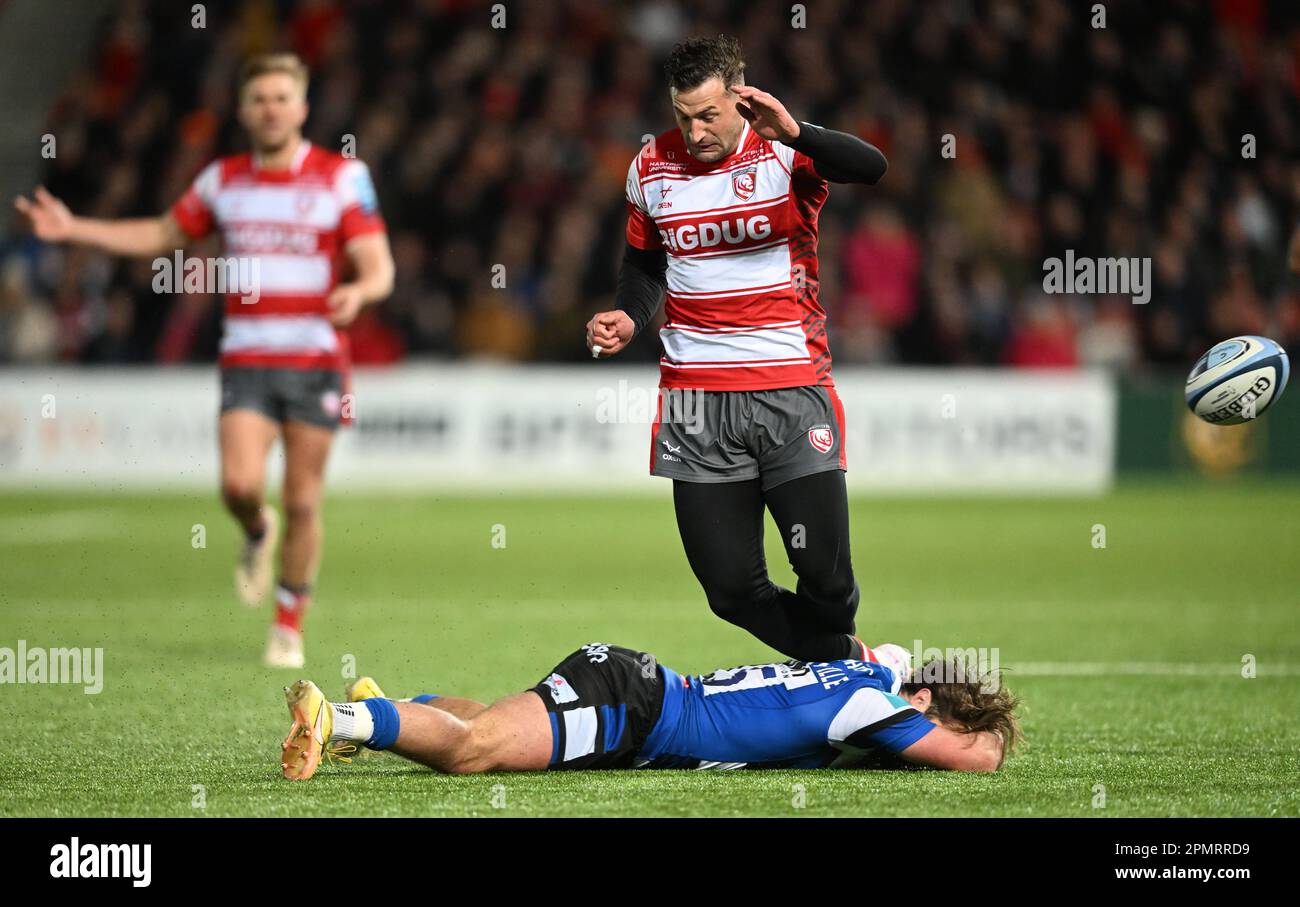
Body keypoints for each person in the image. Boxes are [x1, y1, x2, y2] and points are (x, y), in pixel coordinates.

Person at [14, 53, 394, 668]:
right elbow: (162, 234)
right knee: (239, 486)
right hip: (246, 359)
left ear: (302, 107)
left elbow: (379, 265)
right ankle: (254, 529)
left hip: (315, 362)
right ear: (244, 110)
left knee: (303, 500)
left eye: (281, 97)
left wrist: (361, 290)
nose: (270, 109)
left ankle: (288, 622)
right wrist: (74, 227)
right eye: (259, 99)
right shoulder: (224, 181)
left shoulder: (341, 177)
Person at [584, 35, 887, 663]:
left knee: (826, 580)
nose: (694, 132)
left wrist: (798, 131)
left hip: (791, 391)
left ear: (738, 95)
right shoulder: (650, 168)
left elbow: (872, 165)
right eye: (682, 116)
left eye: (708, 115)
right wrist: (629, 318)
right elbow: (643, 268)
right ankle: (856, 666)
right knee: (729, 589)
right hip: (695, 403)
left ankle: (840, 677)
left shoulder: (783, 152)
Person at [279, 642, 1020, 780]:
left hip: (636, 701)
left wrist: (899, 666)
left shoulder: (866, 676)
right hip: (637, 707)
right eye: (932, 723)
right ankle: (335, 721)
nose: (923, 744)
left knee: (502, 725)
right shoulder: (872, 703)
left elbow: (882, 650)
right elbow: (975, 756)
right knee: (477, 749)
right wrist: (976, 736)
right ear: (918, 700)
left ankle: (380, 711)